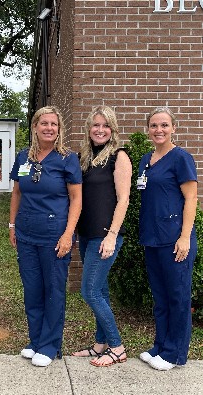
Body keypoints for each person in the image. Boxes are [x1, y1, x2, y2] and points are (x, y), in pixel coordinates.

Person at [9, 106, 82, 367]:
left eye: (54, 124)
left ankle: (51, 346)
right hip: (27, 234)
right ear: (35, 127)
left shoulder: (67, 159)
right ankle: (36, 340)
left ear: (59, 129)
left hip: (55, 236)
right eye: (44, 123)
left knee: (53, 291)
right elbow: (17, 193)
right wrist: (12, 225)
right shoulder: (23, 158)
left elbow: (76, 199)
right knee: (32, 290)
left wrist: (68, 234)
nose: (49, 128)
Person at [137, 107, 198, 371]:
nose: (158, 130)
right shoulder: (145, 160)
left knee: (178, 297)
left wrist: (184, 237)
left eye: (164, 125)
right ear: (147, 129)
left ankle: (174, 353)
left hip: (175, 240)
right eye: (153, 125)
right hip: (152, 238)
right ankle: (160, 346)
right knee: (160, 297)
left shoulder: (181, 158)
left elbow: (191, 198)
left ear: (174, 127)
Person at [72, 106, 131, 366]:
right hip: (86, 234)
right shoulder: (83, 158)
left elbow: (124, 199)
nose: (100, 129)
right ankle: (100, 345)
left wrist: (112, 235)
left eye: (105, 125)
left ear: (112, 129)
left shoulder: (119, 157)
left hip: (105, 236)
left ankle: (117, 347)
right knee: (101, 291)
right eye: (96, 125)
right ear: (89, 128)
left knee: (90, 291)